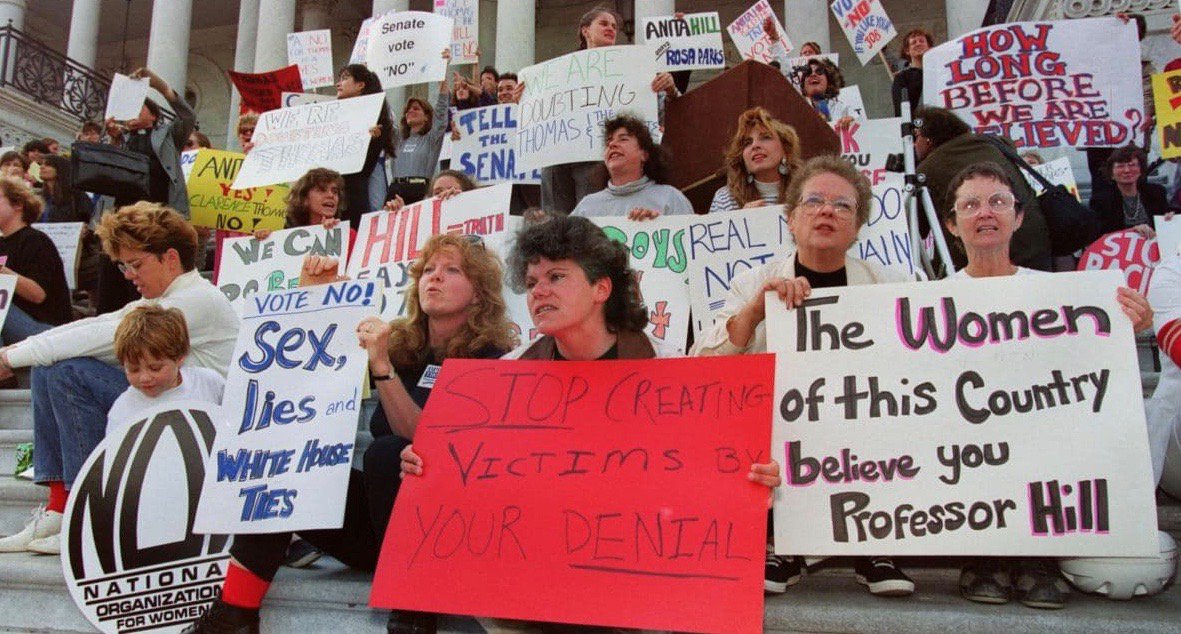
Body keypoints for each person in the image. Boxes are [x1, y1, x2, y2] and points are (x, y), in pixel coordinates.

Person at [182, 233, 518, 634]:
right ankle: (235, 612)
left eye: (452, 270)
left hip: (442, 533)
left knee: (387, 452)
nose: (435, 277)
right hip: (377, 528)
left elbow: (425, 439)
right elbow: (305, 378)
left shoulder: (491, 359)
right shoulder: (403, 346)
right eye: (428, 269)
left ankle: (413, 601)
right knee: (284, 459)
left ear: (479, 293)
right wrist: (318, 298)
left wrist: (383, 369)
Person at [693, 155, 914, 597]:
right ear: (791, 219)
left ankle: (873, 539)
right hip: (778, 431)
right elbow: (705, 364)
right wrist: (755, 312)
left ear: (858, 227)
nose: (827, 211)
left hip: (862, 428)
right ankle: (782, 540)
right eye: (813, 201)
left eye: (843, 205)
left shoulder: (892, 286)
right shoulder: (754, 282)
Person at [943, 161, 1152, 608]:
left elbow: (1091, 375)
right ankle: (985, 551)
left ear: (1018, 217)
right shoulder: (927, 301)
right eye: (970, 204)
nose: (985, 212)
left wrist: (1129, 325)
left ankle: (1038, 553)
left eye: (998, 202)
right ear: (952, 224)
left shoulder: (1062, 295)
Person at [0, 202, 237, 555]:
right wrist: (17, 350)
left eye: (136, 264)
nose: (128, 275)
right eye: (124, 266)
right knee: (48, 365)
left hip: (197, 423)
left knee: (65, 372)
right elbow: (96, 324)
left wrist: (9, 357)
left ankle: (86, 512)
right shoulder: (171, 296)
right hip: (166, 405)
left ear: (170, 258)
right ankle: (59, 507)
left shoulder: (196, 299)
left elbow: (104, 336)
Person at [537, 6, 679, 215]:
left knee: (592, 224)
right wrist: (524, 95)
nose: (611, 28)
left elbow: (658, 113)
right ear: (585, 31)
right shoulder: (558, 72)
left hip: (598, 161)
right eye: (604, 23)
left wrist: (670, 90)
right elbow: (539, 111)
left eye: (614, 26)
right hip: (559, 162)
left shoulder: (633, 67)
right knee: (555, 225)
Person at [97, 66, 197, 315]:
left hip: (155, 222)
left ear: (153, 115)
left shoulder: (167, 136)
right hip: (122, 221)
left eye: (138, 106)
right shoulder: (120, 140)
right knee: (113, 280)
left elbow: (187, 117)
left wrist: (160, 86)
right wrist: (113, 138)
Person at [914, 106, 1051, 272]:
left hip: (980, 260)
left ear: (927, 139)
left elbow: (916, 227)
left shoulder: (929, 168)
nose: (914, 144)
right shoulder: (993, 145)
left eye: (916, 137)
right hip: (1035, 245)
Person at [105, 305, 225, 435]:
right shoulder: (122, 411)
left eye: (155, 368)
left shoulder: (208, 383)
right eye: (133, 370)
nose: (144, 378)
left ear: (180, 358)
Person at [571, 114, 693, 219]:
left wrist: (656, 226)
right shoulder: (586, 207)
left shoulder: (671, 198)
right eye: (608, 142)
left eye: (623, 139)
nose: (612, 144)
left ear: (644, 154)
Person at [0, 177, 72, 348]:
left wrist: (2, 271)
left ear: (18, 204)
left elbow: (37, 295)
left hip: (44, 328)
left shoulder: (36, 241)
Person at [389, 50, 453, 207]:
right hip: (395, 191)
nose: (410, 111)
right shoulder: (398, 138)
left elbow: (441, 107)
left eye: (416, 108)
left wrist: (443, 69)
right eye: (408, 110)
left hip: (420, 190)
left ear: (426, 117)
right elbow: (384, 113)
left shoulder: (431, 138)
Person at [335, 64, 397, 222]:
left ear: (360, 85)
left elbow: (364, 166)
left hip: (353, 199)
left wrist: (370, 140)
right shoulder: (335, 117)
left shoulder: (377, 122)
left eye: (345, 78)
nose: (338, 84)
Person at [709, 108, 802, 212]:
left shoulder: (806, 191)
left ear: (785, 149)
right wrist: (743, 219)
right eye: (747, 143)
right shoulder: (724, 199)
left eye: (765, 137)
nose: (755, 145)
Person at [1089, 145, 1171, 238]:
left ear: (1140, 170)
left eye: (1132, 165)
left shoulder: (1156, 193)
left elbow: (1166, 228)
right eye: (1120, 166)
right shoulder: (1101, 201)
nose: (1127, 170)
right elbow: (1101, 236)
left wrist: (1170, 218)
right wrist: (1131, 232)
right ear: (1111, 173)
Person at [891, 28, 934, 117]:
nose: (918, 44)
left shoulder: (938, 72)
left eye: (921, 41)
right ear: (907, 51)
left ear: (930, 47)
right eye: (914, 42)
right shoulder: (901, 78)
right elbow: (900, 110)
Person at [38, 155, 93, 224]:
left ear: (60, 169)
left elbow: (88, 220)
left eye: (48, 165)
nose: (42, 167)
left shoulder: (77, 196)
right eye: (41, 164)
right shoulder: (38, 197)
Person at [800, 58, 853, 127]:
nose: (813, 74)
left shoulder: (844, 109)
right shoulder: (796, 110)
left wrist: (852, 123)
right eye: (808, 73)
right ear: (804, 85)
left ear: (829, 81)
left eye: (819, 71)